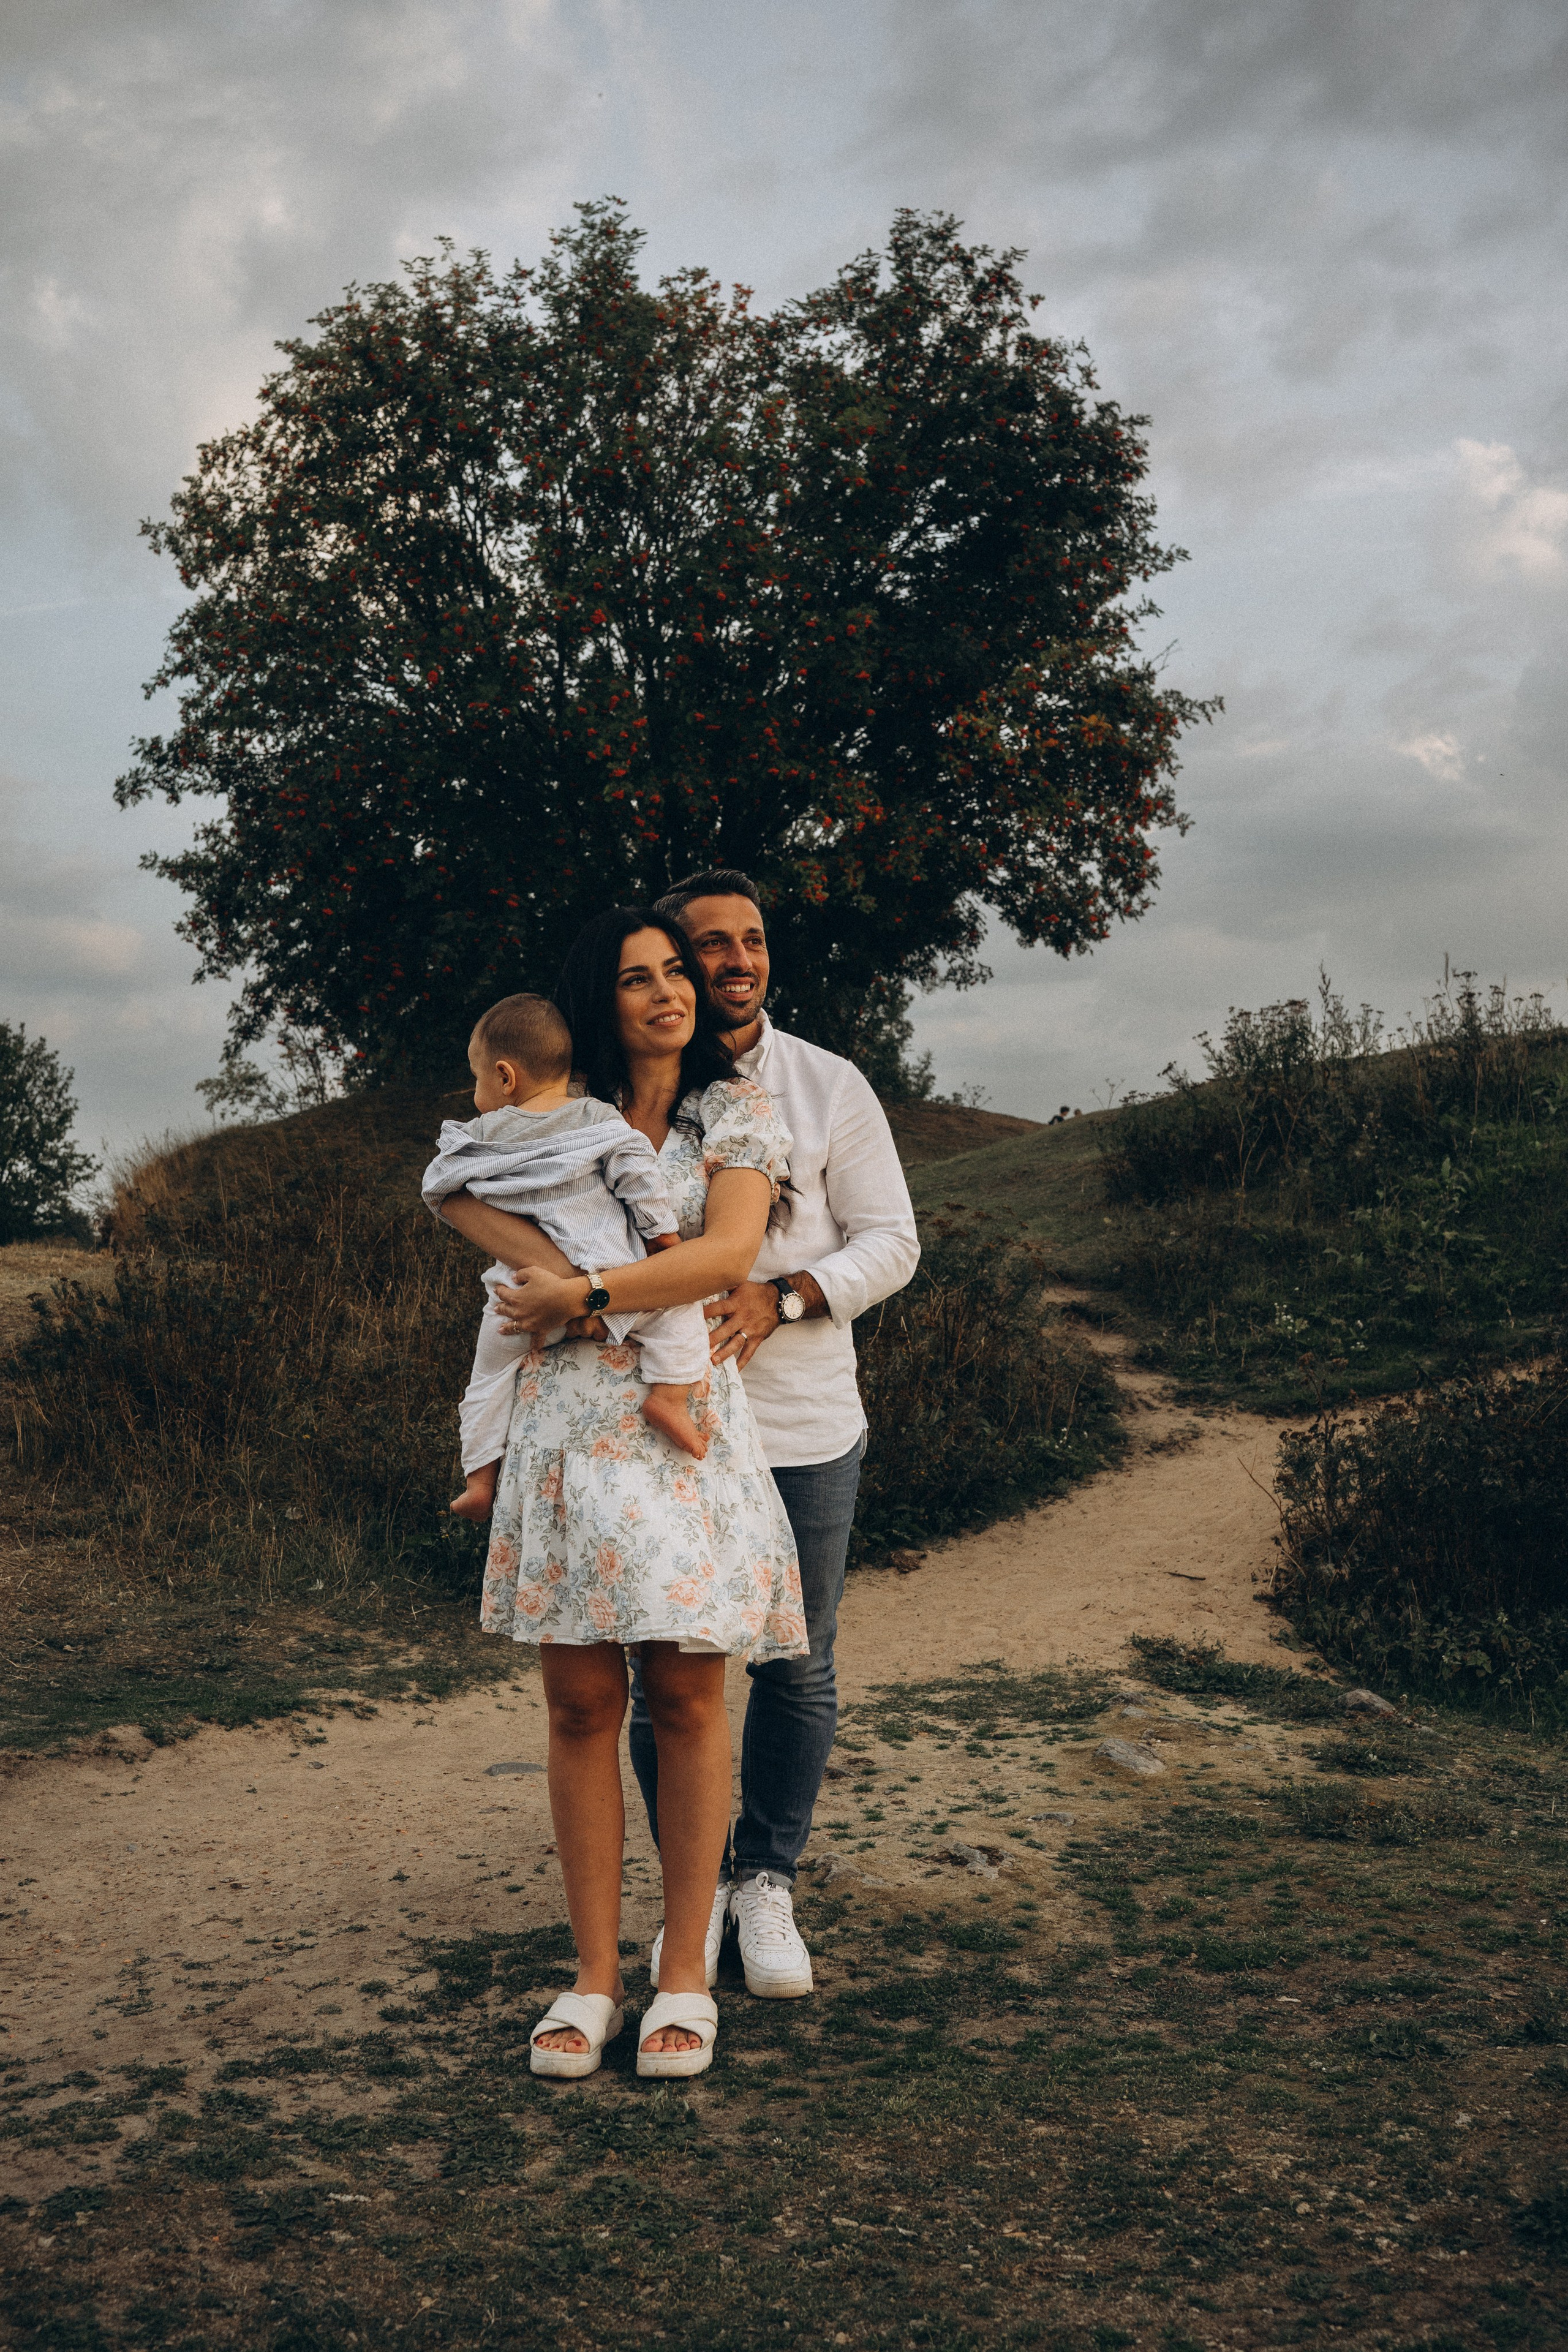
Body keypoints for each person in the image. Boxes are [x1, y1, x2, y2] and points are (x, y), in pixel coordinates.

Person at [437, 910, 805, 2081]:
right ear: (600, 999)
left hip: (682, 1420)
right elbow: (472, 1213)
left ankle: (684, 1973)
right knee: (582, 1704)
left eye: (676, 972)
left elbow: (724, 1257)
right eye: (636, 976)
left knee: (691, 1697)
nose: (668, 991)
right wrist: (551, 1284)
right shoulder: (549, 1114)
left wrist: (582, 1290)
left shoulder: (731, 1111)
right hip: (563, 1427)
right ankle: (594, 1977)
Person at [630, 869, 919, 2001]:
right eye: (711, 944)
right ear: (673, 961)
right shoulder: (629, 1093)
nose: (737, 961)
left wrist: (787, 1293)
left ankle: (768, 1883)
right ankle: (688, 1900)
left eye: (753, 942)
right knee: (671, 1666)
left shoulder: (827, 1085)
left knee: (795, 1664)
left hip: (802, 1421)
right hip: (671, 1427)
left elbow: (892, 1241)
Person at [421, 989, 712, 1523]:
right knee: (681, 1311)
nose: (475, 1092)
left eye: (477, 1078)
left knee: (487, 1377)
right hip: (621, 1272)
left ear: (506, 1077)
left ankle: (479, 1478)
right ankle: (669, 1397)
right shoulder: (596, 1118)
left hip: (523, 1295)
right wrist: (662, 1236)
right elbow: (637, 1173)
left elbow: (437, 1187)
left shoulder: (477, 1140)